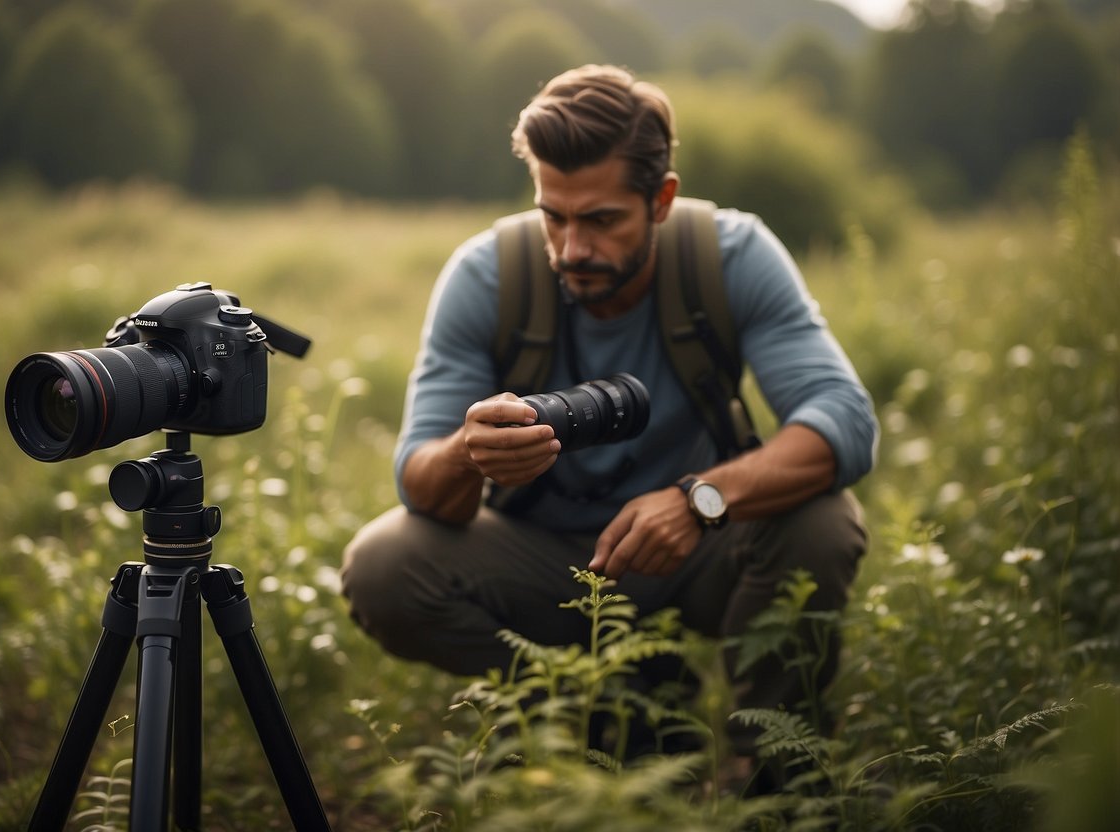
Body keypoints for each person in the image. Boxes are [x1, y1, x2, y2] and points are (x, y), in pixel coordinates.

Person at [341, 64, 877, 785]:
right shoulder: (484, 276)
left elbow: (842, 419)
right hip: (543, 559)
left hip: (699, 549)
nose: (571, 248)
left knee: (822, 521)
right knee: (383, 564)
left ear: (660, 200)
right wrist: (470, 452)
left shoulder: (730, 254)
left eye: (600, 219)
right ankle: (587, 719)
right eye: (552, 216)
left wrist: (699, 500)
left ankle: (777, 766)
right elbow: (419, 481)